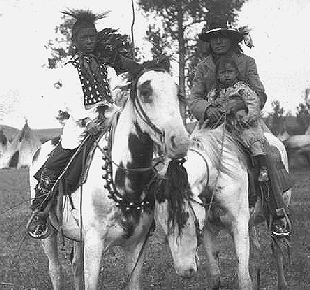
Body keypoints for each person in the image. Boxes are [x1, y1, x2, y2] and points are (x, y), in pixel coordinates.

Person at [26, 9, 136, 239]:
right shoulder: (70, 69)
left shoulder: (105, 67)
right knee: (55, 164)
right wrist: (88, 122)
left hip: (109, 121)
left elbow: (114, 90)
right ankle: (41, 211)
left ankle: (142, 211)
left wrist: (127, 83)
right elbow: (73, 102)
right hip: (82, 127)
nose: (89, 41)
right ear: (75, 41)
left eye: (92, 37)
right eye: (84, 38)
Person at [188, 21, 291, 238]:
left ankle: (276, 212)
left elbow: (260, 94)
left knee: (268, 153)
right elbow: (195, 98)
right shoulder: (202, 67)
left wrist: (239, 104)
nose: (217, 41)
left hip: (245, 121)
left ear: (232, 38)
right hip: (211, 123)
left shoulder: (247, 63)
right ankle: (190, 221)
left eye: (222, 36)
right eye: (213, 37)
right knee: (188, 158)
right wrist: (206, 110)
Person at [205, 56, 269, 182]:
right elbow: (210, 104)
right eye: (223, 73)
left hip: (243, 125)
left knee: (253, 142)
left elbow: (253, 102)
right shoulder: (214, 92)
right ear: (218, 76)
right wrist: (213, 111)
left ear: (236, 73)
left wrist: (250, 117)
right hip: (223, 125)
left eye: (230, 72)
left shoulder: (242, 89)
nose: (227, 76)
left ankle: (263, 168)